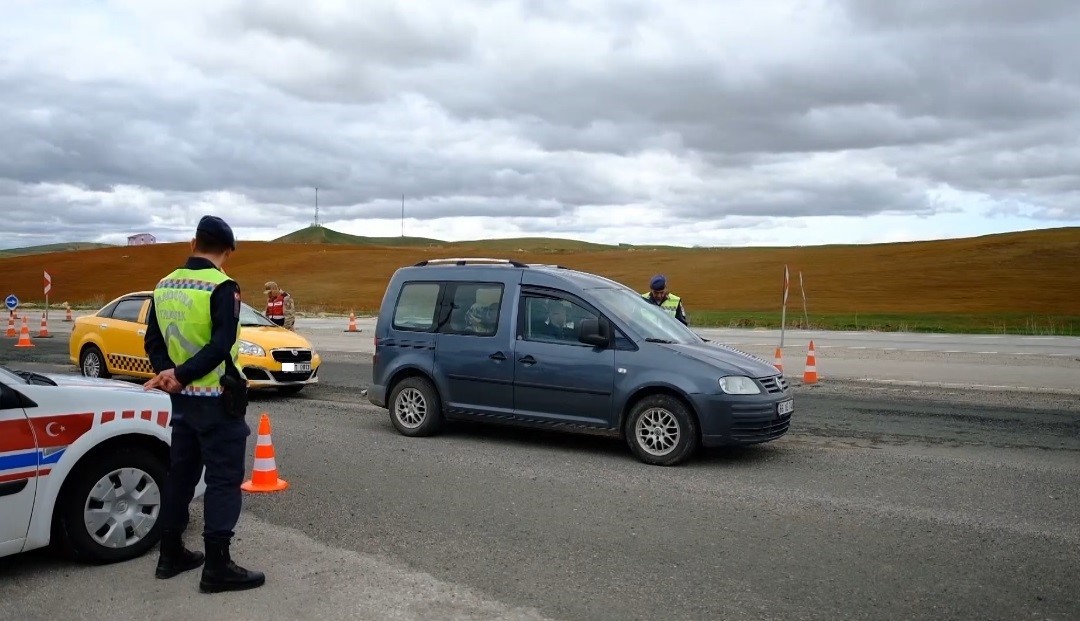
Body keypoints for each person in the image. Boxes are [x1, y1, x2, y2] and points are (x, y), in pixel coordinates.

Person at [143, 215, 265, 594]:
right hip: (216, 399)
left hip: (181, 404)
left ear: (193, 242)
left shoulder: (164, 285)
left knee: (180, 475)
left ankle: (170, 553)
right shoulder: (224, 287)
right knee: (223, 481)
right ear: (227, 250)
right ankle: (217, 566)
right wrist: (182, 375)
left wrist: (168, 373)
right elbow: (221, 344)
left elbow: (153, 340)